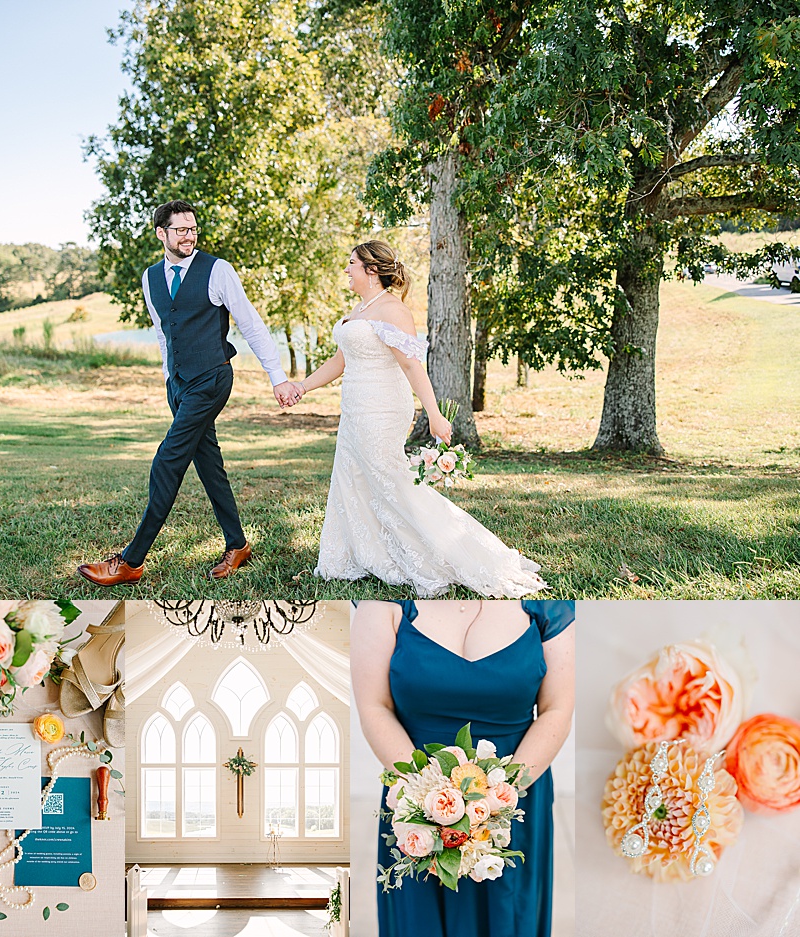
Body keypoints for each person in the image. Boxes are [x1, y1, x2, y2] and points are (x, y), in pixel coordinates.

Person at [288, 239, 546, 597]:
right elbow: (340, 361)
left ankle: (449, 552)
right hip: (355, 409)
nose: (346, 269)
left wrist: (435, 414)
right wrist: (302, 386)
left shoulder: (393, 310)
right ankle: (366, 554)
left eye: (351, 263)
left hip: (382, 408)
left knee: (392, 480)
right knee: (356, 478)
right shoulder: (361, 308)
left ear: (371, 270)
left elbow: (411, 364)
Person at [77, 199, 299, 586]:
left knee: (169, 459)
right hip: (178, 385)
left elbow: (251, 324)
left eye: (193, 228)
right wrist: (168, 377)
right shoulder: (150, 278)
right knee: (209, 466)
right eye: (181, 229)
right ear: (161, 233)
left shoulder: (217, 270)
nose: (189, 236)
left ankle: (131, 560)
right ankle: (238, 544)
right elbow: (164, 332)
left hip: (212, 379)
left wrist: (277, 376)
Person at [352, 599, 575, 937]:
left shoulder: (544, 608)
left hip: (513, 795)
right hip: (415, 792)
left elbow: (556, 708)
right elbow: (374, 706)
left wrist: (499, 797)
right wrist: (424, 796)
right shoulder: (385, 605)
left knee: (508, 914)